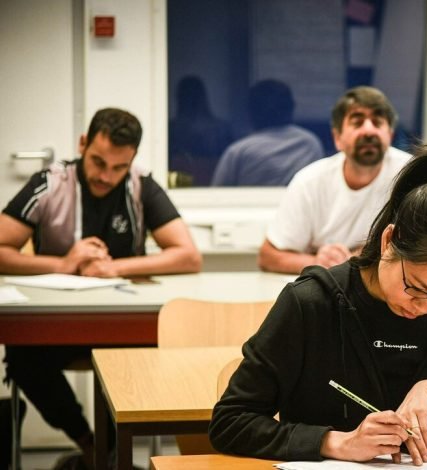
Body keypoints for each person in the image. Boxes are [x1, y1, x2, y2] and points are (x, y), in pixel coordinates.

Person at [209, 144, 427, 465]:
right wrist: (334, 442)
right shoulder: (311, 304)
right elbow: (231, 422)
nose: (424, 306)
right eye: (415, 288)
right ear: (389, 241)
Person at [0, 108, 202, 469]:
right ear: (83, 144)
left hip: (120, 323)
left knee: (140, 358)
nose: (106, 176)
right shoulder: (50, 182)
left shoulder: (141, 184)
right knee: (22, 357)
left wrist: (113, 268)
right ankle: (90, 445)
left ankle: (111, 456)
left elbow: (188, 256)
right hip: (57, 323)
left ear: (132, 159)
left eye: (119, 167)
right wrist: (64, 265)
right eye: (98, 162)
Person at [257, 86, 411, 274]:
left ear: (390, 135)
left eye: (377, 122)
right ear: (337, 138)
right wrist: (317, 262)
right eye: (357, 122)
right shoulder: (310, 182)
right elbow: (268, 257)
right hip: (330, 282)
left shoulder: (411, 174)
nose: (369, 130)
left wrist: (362, 257)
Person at [211, 79, 324, 186]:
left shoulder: (240, 150)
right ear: (291, 107)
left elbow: (217, 192)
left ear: (252, 111)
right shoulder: (310, 143)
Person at [169, 75, 232, 186]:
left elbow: (228, 163)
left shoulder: (220, 129)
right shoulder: (172, 128)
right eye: (187, 97)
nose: (190, 101)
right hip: (180, 181)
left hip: (215, 182)